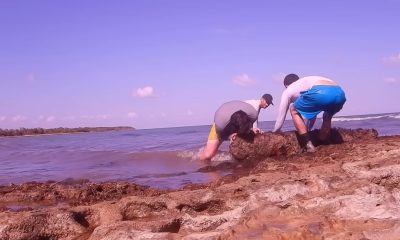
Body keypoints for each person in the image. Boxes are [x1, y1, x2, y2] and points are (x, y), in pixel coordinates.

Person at [273, 74, 346, 152]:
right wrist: (307, 129)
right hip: (339, 93)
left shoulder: (288, 90)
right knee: (327, 116)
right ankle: (323, 139)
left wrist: (275, 131)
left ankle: (307, 144)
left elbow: (281, 117)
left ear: (286, 85)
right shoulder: (305, 82)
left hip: (320, 91)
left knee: (293, 109)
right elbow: (312, 114)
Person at [200, 99, 272, 161]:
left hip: (237, 119)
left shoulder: (253, 114)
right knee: (208, 155)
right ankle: (201, 160)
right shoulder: (220, 125)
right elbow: (222, 135)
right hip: (222, 123)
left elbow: (248, 125)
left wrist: (252, 129)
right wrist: (229, 136)